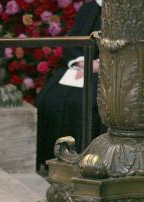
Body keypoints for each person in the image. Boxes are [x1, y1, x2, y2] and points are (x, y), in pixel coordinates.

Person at [35, 0, 103, 174]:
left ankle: (84, 166)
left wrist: (97, 66)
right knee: (50, 97)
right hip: (82, 66)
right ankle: (51, 162)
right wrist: (83, 62)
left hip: (110, 72)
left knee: (83, 102)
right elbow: (74, 39)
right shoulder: (91, 8)